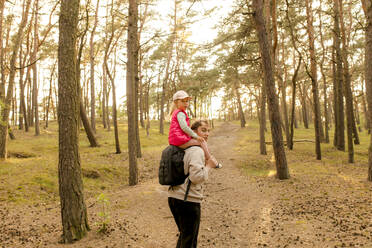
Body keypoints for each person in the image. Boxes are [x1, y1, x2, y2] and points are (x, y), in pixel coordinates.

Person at [168, 119, 217, 248]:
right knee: (189, 241)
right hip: (187, 201)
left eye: (208, 131)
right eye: (203, 130)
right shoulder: (196, 150)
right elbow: (196, 177)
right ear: (194, 132)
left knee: (185, 236)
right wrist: (209, 166)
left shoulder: (185, 147)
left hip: (175, 197)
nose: (207, 134)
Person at [168, 90, 221, 168]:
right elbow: (184, 127)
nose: (186, 103)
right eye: (183, 101)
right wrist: (196, 136)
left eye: (187, 101)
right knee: (202, 141)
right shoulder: (180, 113)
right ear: (176, 103)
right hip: (179, 140)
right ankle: (210, 160)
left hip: (175, 139)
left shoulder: (176, 113)